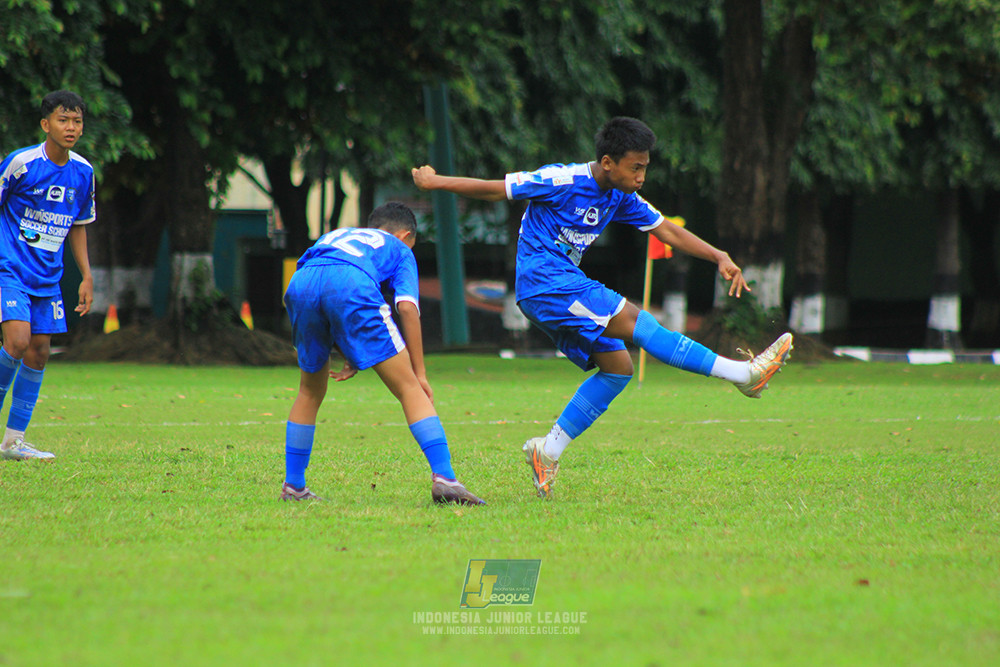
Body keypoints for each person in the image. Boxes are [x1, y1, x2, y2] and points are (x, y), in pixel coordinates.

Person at [412, 116, 792, 499]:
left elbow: (667, 231)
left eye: (645, 167)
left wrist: (718, 256)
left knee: (617, 368)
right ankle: (743, 374)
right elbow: (498, 190)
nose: (642, 176)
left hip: (559, 287)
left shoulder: (620, 196)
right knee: (636, 321)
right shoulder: (562, 180)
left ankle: (549, 449)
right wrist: (434, 182)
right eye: (636, 167)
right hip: (546, 283)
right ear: (608, 162)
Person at [280, 201, 485, 505]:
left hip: (302, 282)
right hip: (350, 283)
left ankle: (294, 486)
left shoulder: (338, 236)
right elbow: (406, 307)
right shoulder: (399, 249)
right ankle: (445, 478)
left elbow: (323, 291)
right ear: (405, 236)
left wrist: (347, 347)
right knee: (410, 389)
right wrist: (420, 373)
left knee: (309, 392)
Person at [0, 90, 95, 461]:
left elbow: (79, 225)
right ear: (46, 124)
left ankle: (12, 442)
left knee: (39, 353)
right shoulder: (21, 163)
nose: (71, 128)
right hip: (9, 267)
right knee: (18, 341)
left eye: (77, 121)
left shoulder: (83, 172)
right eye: (63, 120)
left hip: (49, 277)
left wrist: (86, 276)